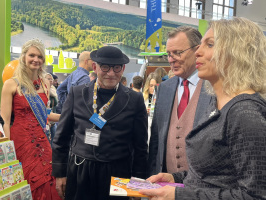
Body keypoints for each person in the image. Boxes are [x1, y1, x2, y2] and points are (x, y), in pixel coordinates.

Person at [140, 17, 266, 200]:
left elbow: (255, 195)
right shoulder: (220, 105)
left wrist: (179, 195)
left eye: (209, 44)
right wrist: (174, 178)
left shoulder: (245, 113)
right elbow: (210, 178)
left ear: (235, 52)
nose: (197, 51)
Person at [52, 46, 148, 200]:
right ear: (95, 67)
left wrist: (138, 181)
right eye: (105, 67)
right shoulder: (77, 93)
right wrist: (60, 173)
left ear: (123, 69)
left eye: (116, 68)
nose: (111, 73)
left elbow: (141, 146)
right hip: (80, 169)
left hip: (119, 172)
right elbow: (61, 136)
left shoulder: (134, 99)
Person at [0, 39, 61, 199]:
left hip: (42, 140)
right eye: (32, 55)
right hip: (20, 141)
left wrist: (66, 117)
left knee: (50, 179)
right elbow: (4, 120)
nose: (36, 59)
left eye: (40, 56)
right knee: (26, 182)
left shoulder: (46, 84)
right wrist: (8, 151)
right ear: (24, 57)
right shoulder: (11, 84)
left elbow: (44, 114)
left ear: (43, 60)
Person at [148, 26, 211, 176]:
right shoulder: (164, 88)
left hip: (201, 187)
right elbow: (156, 140)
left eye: (177, 53)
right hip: (165, 184)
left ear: (197, 51)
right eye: (168, 54)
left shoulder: (213, 88)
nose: (171, 59)